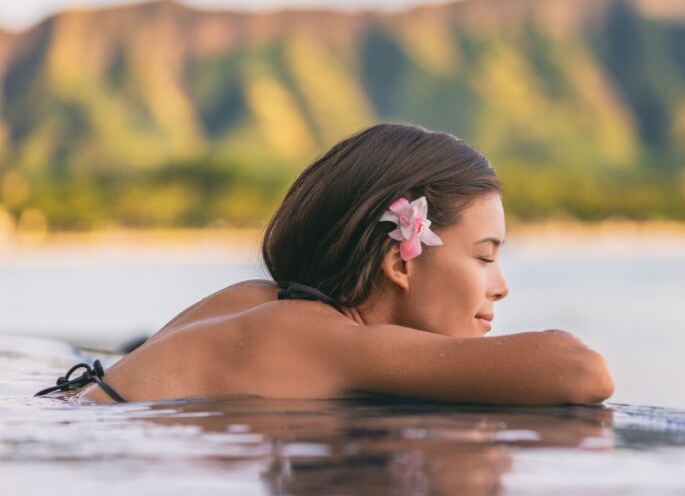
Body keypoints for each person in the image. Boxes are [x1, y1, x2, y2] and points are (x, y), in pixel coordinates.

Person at [39, 124, 614, 406]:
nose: (501, 287)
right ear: (401, 260)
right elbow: (581, 372)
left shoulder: (259, 299)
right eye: (485, 257)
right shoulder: (319, 336)